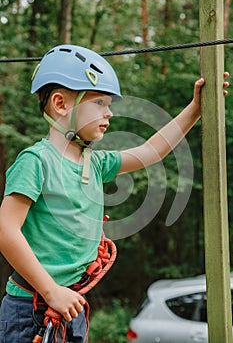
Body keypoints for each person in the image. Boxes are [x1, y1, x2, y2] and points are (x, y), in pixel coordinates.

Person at [0, 44, 229, 343]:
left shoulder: (95, 163)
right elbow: (6, 230)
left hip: (70, 305)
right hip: (30, 310)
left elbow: (151, 151)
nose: (109, 112)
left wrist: (194, 110)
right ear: (60, 103)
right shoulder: (36, 161)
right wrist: (51, 290)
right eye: (99, 102)